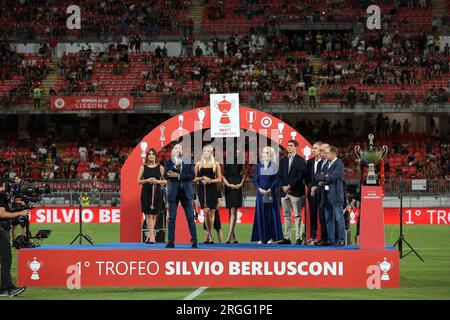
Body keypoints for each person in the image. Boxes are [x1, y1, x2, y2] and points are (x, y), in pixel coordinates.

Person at [163, 144, 198, 248]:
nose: (178, 149)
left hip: (186, 192)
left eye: (180, 148)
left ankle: (195, 241)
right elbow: (165, 175)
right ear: (173, 151)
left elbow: (192, 176)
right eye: (176, 148)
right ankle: (171, 242)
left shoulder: (188, 161)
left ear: (182, 151)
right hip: (173, 192)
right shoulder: (168, 162)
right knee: (171, 218)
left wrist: (178, 176)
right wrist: (175, 166)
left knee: (190, 217)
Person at [0, 177, 27, 297]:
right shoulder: (0, 196)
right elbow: (2, 213)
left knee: (4, 260)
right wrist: (20, 213)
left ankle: (5, 288)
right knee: (6, 260)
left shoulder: (3, 197)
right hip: (1, 231)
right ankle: (7, 288)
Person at [278, 140, 307, 245]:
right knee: (286, 215)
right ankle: (287, 237)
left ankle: (299, 237)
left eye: (291, 145)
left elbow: (300, 176)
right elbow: (279, 175)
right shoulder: (283, 160)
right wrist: (284, 187)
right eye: (288, 145)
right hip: (284, 192)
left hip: (296, 191)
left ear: (296, 147)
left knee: (298, 215)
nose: (288, 147)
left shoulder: (301, 160)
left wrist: (289, 186)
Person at [251, 146, 283, 244]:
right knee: (260, 215)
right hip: (260, 194)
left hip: (270, 194)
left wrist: (270, 189)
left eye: (267, 153)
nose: (265, 154)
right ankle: (261, 237)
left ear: (271, 154)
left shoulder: (274, 166)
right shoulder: (258, 166)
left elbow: (277, 180)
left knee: (270, 215)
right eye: (264, 152)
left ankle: (271, 237)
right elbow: (255, 179)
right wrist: (260, 188)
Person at [318, 146, 345, 247]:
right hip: (326, 195)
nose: (325, 154)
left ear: (333, 153)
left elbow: (332, 177)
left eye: (327, 153)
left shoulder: (339, 164)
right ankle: (331, 240)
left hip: (336, 196)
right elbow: (318, 175)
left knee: (339, 218)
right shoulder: (326, 165)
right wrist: (325, 177)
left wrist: (324, 177)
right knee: (329, 218)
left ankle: (341, 240)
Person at [194, 145, 222, 244]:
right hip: (202, 189)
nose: (206, 152)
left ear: (211, 153)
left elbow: (219, 179)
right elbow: (194, 178)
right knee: (205, 212)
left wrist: (210, 180)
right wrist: (202, 179)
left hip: (212, 189)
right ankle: (210, 235)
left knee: (212, 212)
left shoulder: (216, 164)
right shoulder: (198, 163)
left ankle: (208, 236)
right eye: (204, 151)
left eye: (208, 151)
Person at [137, 148, 166, 244]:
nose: (151, 155)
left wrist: (157, 181)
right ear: (147, 156)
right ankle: (152, 236)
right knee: (148, 214)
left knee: (154, 215)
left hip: (157, 192)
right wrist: (147, 180)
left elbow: (166, 181)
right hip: (146, 192)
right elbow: (138, 181)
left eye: (153, 154)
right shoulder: (143, 167)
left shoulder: (160, 167)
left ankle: (149, 236)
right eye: (149, 154)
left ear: (155, 156)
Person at [222, 149, 246, 244]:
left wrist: (241, 184)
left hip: (237, 186)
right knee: (230, 211)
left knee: (233, 210)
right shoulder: (225, 161)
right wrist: (227, 184)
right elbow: (222, 175)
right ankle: (233, 236)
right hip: (228, 187)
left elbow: (244, 174)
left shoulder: (240, 161)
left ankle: (228, 237)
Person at [311, 143, 330, 245]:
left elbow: (327, 177)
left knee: (329, 218)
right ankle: (323, 238)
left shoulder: (331, 162)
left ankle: (330, 239)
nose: (321, 153)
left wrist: (322, 177)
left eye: (322, 151)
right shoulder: (320, 163)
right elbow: (316, 176)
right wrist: (321, 177)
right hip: (320, 193)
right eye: (321, 150)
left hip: (329, 194)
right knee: (322, 217)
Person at [305, 141, 324, 245]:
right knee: (312, 215)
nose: (313, 150)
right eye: (313, 148)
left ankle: (323, 237)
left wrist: (316, 187)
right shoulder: (310, 162)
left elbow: (323, 177)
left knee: (322, 215)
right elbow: (307, 178)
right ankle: (313, 236)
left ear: (320, 150)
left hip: (321, 192)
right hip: (311, 193)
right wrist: (311, 187)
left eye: (315, 148)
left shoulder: (325, 162)